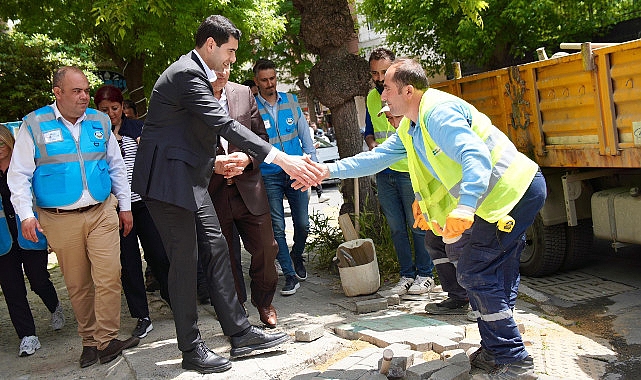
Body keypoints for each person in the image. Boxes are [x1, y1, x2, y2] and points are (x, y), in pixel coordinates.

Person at [303, 58, 546, 378]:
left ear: (407, 90)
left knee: (475, 271)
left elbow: (475, 156)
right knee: (488, 270)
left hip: (511, 196)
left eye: (387, 88)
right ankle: (498, 346)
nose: (383, 95)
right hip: (503, 198)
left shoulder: (437, 113)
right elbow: (376, 158)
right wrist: (327, 170)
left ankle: (511, 356)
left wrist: (464, 206)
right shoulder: (412, 124)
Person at [131, 15, 320, 374]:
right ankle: (191, 348)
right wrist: (281, 158)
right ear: (211, 45)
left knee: (216, 249)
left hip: (190, 179)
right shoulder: (187, 73)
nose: (232, 60)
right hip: (167, 183)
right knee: (185, 262)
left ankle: (240, 333)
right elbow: (224, 124)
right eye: (230, 52)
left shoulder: (197, 73)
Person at [7, 66, 139, 368]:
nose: (84, 96)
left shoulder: (99, 120)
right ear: (58, 92)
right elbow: (18, 176)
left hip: (101, 210)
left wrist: (126, 207)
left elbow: (117, 166)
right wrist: (26, 215)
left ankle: (107, 340)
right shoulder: (34, 125)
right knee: (78, 284)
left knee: (109, 274)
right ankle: (89, 341)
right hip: (59, 217)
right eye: (77, 91)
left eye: (86, 90)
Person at [95, 84, 173, 338]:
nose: (110, 114)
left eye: (115, 108)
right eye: (104, 110)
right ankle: (142, 315)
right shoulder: (93, 135)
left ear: (123, 108)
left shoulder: (137, 129)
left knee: (159, 255)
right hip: (116, 209)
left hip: (144, 203)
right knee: (128, 264)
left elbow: (157, 161)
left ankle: (173, 297)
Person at [207, 67, 279, 328]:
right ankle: (236, 310)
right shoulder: (193, 97)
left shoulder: (243, 94)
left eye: (227, 66)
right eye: (215, 68)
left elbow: (261, 138)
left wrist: (247, 158)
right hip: (213, 192)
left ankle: (264, 300)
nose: (222, 72)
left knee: (266, 247)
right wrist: (211, 163)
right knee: (224, 256)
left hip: (248, 187)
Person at [363, 48, 435, 296]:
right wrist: (371, 144)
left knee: (417, 224)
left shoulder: (409, 94)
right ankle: (407, 275)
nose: (380, 77)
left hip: (408, 170)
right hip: (384, 170)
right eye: (375, 73)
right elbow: (369, 129)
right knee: (396, 227)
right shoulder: (372, 98)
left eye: (384, 72)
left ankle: (425, 275)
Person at [253, 58, 318, 295]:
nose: (270, 84)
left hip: (297, 170)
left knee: (303, 224)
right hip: (269, 175)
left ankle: (296, 256)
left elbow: (305, 139)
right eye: (264, 80)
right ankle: (290, 274)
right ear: (256, 81)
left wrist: (313, 167)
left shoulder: (290, 101)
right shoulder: (252, 108)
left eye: (273, 78)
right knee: (276, 227)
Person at [0, 124, 65, 357]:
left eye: (2, 143)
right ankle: (27, 336)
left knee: (38, 279)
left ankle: (55, 306)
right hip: (2, 239)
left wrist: (49, 231)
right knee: (12, 288)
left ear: (10, 143)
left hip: (30, 232)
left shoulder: (24, 167)